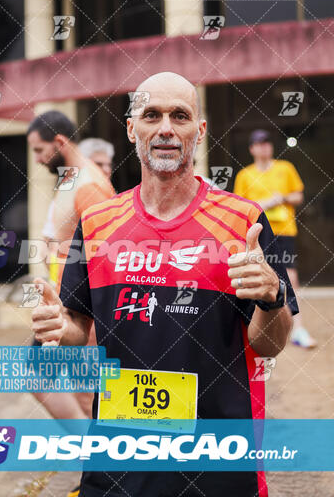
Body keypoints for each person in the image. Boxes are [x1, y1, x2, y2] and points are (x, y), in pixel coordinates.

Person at [32, 72, 298, 497]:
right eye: (151, 115)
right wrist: (57, 327)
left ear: (200, 130)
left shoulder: (242, 221)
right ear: (131, 127)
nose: (166, 128)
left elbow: (270, 345)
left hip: (216, 461)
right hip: (120, 463)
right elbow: (78, 329)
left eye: (181, 115)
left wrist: (271, 297)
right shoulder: (99, 223)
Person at [26, 111, 115, 420]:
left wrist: (90, 323)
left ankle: (96, 457)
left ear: (59, 142)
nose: (37, 159)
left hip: (81, 311)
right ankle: (89, 454)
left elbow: (105, 256)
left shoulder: (89, 185)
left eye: (39, 150)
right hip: (63, 303)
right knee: (39, 377)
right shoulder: (70, 177)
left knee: (85, 393)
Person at [234, 129, 316, 349]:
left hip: (284, 231)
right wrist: (263, 204)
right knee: (257, 277)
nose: (264, 146)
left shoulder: (285, 168)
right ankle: (259, 329)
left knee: (290, 278)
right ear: (252, 148)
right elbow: (240, 207)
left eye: (267, 142)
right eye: (259, 143)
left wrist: (283, 198)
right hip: (258, 234)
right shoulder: (245, 175)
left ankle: (297, 329)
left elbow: (298, 195)